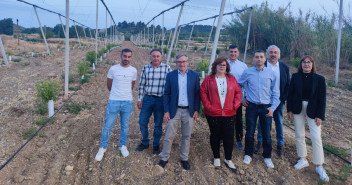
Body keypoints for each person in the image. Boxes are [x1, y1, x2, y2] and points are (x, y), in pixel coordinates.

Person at [287, 56, 329, 182]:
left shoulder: (319, 79)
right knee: (299, 134)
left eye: (309, 62)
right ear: (301, 64)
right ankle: (303, 159)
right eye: (304, 62)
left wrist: (320, 115)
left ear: (312, 64)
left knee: (316, 137)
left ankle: (319, 165)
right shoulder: (295, 77)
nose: (306, 64)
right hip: (297, 107)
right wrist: (289, 109)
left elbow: (322, 99)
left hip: (314, 110)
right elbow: (290, 94)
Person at [237, 50, 280, 168]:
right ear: (253, 59)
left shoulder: (271, 73)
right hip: (251, 106)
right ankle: (248, 154)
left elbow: (276, 93)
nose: (259, 59)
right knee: (250, 132)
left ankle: (267, 156)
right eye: (256, 57)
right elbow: (238, 85)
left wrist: (272, 108)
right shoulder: (248, 72)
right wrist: (241, 98)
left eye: (261, 57)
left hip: (266, 108)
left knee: (266, 133)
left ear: (265, 59)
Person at [158, 54, 200, 171]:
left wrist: (196, 109)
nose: (182, 64)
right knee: (169, 135)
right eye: (179, 62)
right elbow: (166, 94)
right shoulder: (171, 75)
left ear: (188, 62)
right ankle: (164, 157)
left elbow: (197, 94)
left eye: (184, 61)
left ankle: (184, 158)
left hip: (189, 110)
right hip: (174, 110)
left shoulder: (194, 75)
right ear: (176, 63)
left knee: (186, 136)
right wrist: (166, 111)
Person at [95, 48, 137, 161]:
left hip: (127, 102)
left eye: (129, 57)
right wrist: (116, 94)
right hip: (113, 101)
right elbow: (109, 85)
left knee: (125, 126)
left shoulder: (133, 71)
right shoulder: (113, 69)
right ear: (121, 56)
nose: (126, 59)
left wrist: (124, 94)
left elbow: (132, 85)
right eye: (125, 56)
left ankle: (122, 146)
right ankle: (102, 147)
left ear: (131, 58)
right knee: (108, 126)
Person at [200, 57, 242, 172]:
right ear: (215, 66)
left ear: (226, 67)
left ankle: (228, 159)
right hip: (213, 113)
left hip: (229, 113)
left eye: (224, 65)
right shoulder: (209, 79)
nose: (222, 66)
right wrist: (208, 106)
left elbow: (238, 92)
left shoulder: (231, 78)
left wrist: (235, 105)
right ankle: (217, 157)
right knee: (215, 135)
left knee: (229, 136)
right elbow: (203, 92)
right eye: (219, 65)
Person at [256, 45, 290, 156]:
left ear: (278, 55)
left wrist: (283, 98)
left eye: (275, 52)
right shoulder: (262, 66)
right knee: (262, 123)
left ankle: (280, 144)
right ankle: (260, 142)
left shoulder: (284, 67)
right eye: (271, 52)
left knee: (279, 122)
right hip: (264, 101)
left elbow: (287, 85)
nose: (273, 54)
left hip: (278, 101)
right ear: (267, 54)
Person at [136, 48, 171, 154]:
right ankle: (145, 142)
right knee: (142, 121)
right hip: (147, 98)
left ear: (161, 57)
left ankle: (156, 145)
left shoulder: (167, 68)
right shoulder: (145, 68)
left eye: (158, 56)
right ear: (150, 57)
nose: (156, 58)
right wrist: (139, 99)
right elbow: (142, 85)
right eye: (154, 56)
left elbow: (170, 86)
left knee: (158, 124)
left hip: (161, 100)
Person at [227, 45, 248, 151]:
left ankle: (239, 140)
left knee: (238, 119)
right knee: (224, 118)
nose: (233, 54)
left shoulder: (243, 66)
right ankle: (223, 137)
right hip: (224, 97)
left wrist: (244, 98)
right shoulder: (223, 64)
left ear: (238, 53)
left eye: (235, 52)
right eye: (231, 52)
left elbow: (247, 83)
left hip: (237, 98)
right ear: (228, 52)